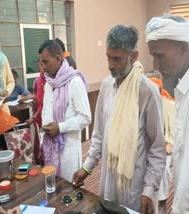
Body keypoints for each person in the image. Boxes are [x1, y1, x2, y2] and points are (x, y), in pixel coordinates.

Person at [72, 25, 166, 213]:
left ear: (134, 56)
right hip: (108, 180)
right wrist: (87, 167)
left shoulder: (147, 91)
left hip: (135, 186)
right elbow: (98, 135)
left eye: (117, 59)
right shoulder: (107, 86)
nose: (111, 65)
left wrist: (149, 189)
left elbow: (157, 148)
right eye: (108, 57)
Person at [145, 15, 189, 214]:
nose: (155, 65)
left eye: (160, 56)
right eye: (153, 56)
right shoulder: (181, 88)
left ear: (185, 48)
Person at [39, 39, 91, 182]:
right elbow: (46, 116)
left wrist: (60, 128)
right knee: (52, 190)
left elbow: (86, 118)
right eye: (41, 63)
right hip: (50, 149)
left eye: (45, 62)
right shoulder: (49, 83)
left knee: (69, 194)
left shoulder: (74, 82)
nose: (42, 67)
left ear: (57, 59)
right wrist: (43, 143)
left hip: (67, 151)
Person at [147, 77, 174, 214]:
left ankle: (162, 202)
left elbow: (173, 132)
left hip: (164, 148)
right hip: (147, 148)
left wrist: (169, 145)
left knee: (162, 171)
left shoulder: (168, 103)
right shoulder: (143, 103)